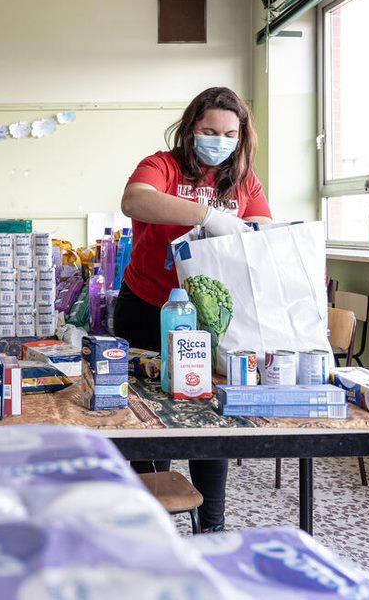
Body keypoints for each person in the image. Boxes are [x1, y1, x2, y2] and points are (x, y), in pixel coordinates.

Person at [115, 86, 272, 532]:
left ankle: (212, 526)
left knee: (210, 418)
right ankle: (151, 523)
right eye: (208, 130)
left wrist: (249, 228)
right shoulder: (162, 165)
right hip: (148, 305)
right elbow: (135, 200)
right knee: (147, 416)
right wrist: (207, 215)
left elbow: (263, 226)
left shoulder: (244, 180)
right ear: (190, 129)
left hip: (210, 317)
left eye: (229, 133)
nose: (219, 140)